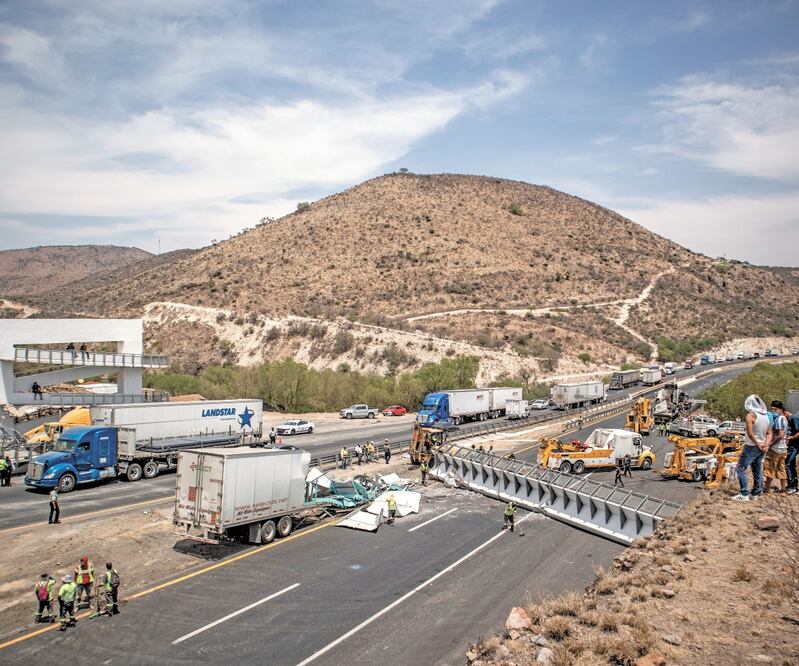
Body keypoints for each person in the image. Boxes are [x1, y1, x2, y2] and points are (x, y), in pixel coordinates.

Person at [733, 394, 771, 502]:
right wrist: (766, 444)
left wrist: (758, 444)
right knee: (757, 469)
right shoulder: (766, 416)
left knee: (740, 469)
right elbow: (769, 433)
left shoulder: (751, 416)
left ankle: (744, 493)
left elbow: (750, 433)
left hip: (751, 446)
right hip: (762, 447)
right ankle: (756, 493)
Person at [764, 400, 788, 495]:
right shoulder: (784, 419)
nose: (773, 411)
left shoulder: (778, 419)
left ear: (781, 409)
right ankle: (783, 490)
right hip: (783, 449)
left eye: (775, 409)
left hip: (776, 449)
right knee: (782, 469)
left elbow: (780, 435)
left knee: (770, 469)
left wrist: (770, 444)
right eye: (772, 409)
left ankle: (766, 489)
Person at [784, 404, 799, 494]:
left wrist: (790, 438)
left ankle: (793, 486)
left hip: (796, 446)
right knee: (790, 464)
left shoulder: (794, 418)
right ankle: (793, 485)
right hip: (792, 446)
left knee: (788, 464)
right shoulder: (789, 419)